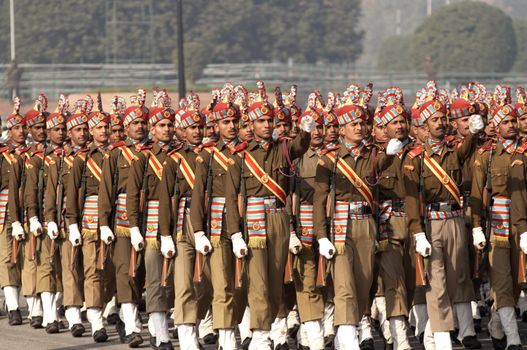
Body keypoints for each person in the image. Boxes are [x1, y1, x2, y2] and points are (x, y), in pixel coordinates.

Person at [223, 81, 314, 349]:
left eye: (269, 120)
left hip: (278, 220)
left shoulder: (283, 149)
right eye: (260, 120)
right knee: (259, 282)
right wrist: (235, 234)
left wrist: (306, 130)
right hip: (252, 222)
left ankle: (271, 325)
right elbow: (231, 198)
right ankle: (260, 336)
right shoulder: (239, 157)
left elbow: (299, 146)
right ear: (250, 124)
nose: (266, 124)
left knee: (276, 281)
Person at [404, 80, 484, 350]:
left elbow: (467, 149)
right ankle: (441, 340)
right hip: (432, 223)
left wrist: (472, 134)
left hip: (455, 221)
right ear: (424, 125)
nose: (439, 123)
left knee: (459, 276)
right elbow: (412, 199)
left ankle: (463, 332)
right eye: (434, 119)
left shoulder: (454, 150)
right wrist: (417, 233)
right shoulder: (415, 157)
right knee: (436, 282)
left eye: (442, 118)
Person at [98, 89, 150, 348]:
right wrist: (103, 224)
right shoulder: (116, 154)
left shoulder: (156, 152)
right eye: (135, 123)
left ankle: (128, 316)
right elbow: (106, 191)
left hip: (151, 218)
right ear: (126, 128)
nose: (140, 127)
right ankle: (132, 327)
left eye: (143, 123)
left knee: (143, 273)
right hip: (121, 223)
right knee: (125, 271)